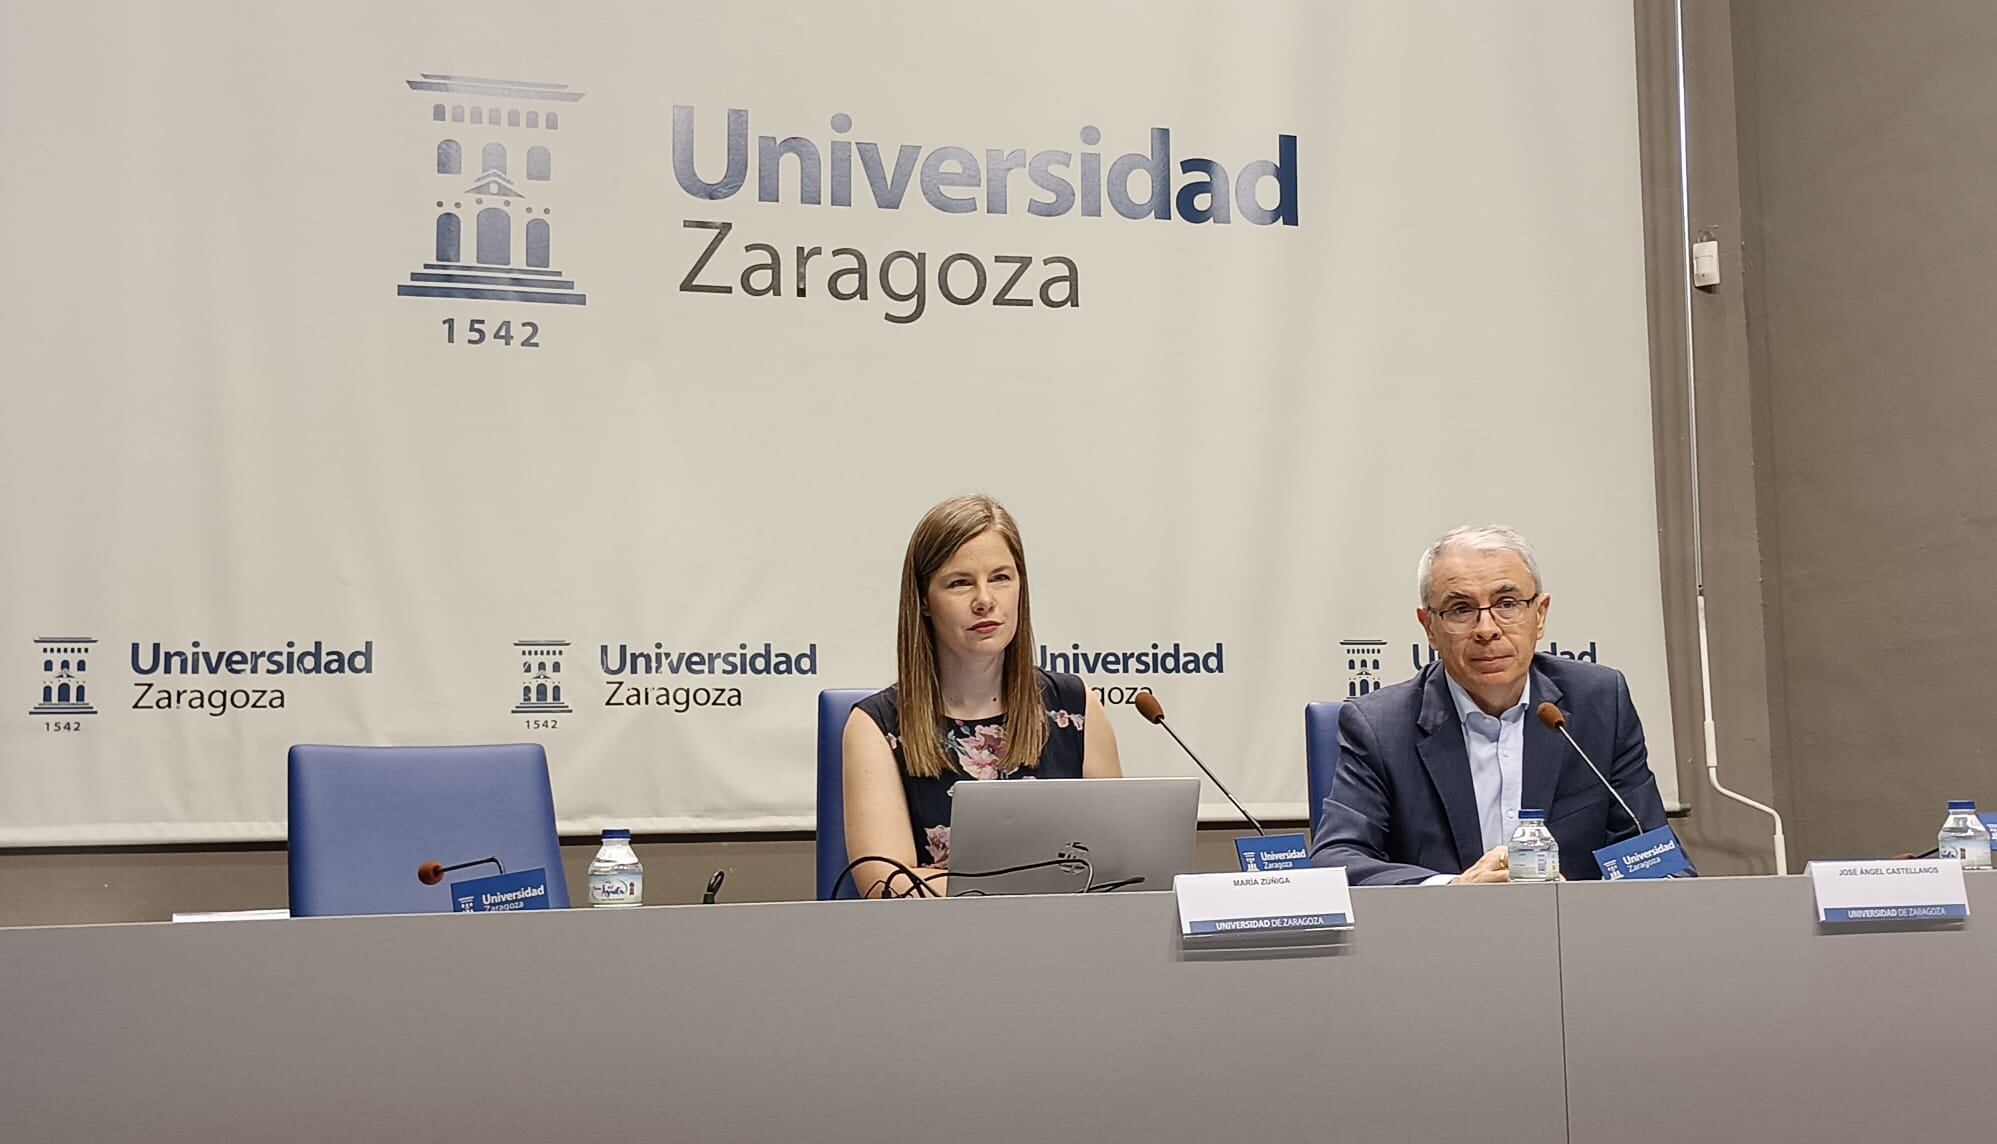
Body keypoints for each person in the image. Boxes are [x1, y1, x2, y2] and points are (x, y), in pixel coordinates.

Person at [1311, 524, 1679, 885]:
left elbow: (1652, 855)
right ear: (1429, 627)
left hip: (1575, 938)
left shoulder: (1599, 703)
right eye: (1460, 609)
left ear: (1540, 614)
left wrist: (1578, 909)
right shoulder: (1380, 725)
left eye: (1507, 604)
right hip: (1442, 939)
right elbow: (1338, 860)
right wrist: (1452, 890)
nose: (1487, 628)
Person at [844, 495, 1122, 897]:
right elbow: (886, 887)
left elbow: (1121, 865)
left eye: (1001, 578)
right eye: (960, 583)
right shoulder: (876, 726)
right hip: (937, 948)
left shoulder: (1075, 708)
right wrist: (1034, 886)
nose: (985, 600)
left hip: (1066, 942)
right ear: (923, 600)